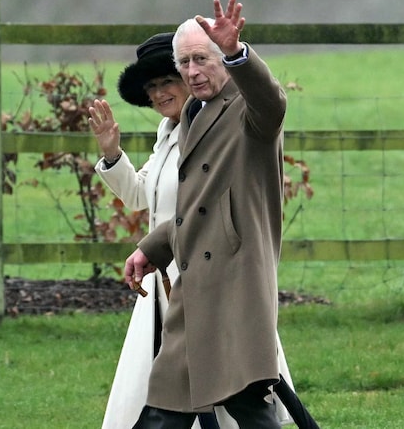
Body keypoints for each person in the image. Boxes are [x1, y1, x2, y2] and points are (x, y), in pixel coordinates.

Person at [91, 30, 296, 428]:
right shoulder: (173, 132)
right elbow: (157, 201)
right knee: (168, 400)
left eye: (166, 80)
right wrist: (112, 156)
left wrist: (239, 53)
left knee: (240, 397)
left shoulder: (243, 113)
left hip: (225, 282)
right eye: (153, 86)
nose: (161, 92)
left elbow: (270, 105)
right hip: (172, 284)